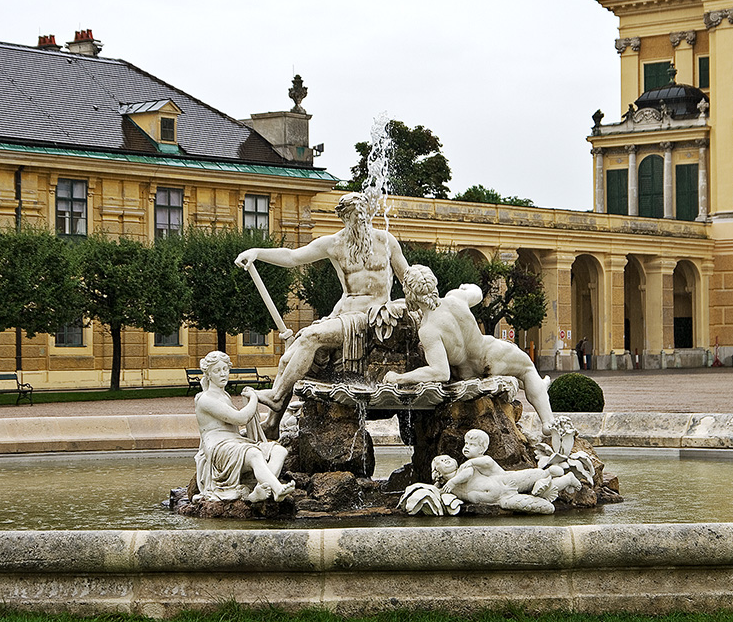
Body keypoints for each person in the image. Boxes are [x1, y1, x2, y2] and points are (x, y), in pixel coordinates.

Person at [235, 191, 409, 421]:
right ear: (344, 218)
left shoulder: (386, 241)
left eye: (363, 215)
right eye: (354, 217)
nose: (360, 221)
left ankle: (277, 396)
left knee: (311, 337)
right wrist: (257, 252)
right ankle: (272, 423)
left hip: (372, 317)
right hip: (344, 314)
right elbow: (292, 257)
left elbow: (407, 277)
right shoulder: (334, 244)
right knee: (288, 358)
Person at [382, 264, 555, 434]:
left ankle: (537, 388)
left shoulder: (428, 330)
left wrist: (400, 378)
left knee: (526, 375)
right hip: (490, 354)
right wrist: (466, 286)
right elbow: (477, 293)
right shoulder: (455, 297)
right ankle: (548, 422)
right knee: (527, 369)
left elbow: (441, 373)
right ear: (433, 284)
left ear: (410, 293)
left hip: (468, 374)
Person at [193, 350, 295, 503]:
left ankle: (259, 490)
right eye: (217, 371)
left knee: (279, 450)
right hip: (218, 447)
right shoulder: (205, 399)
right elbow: (241, 418)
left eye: (225, 369)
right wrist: (254, 397)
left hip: (236, 442)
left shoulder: (224, 396)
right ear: (208, 374)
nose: (222, 374)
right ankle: (277, 488)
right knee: (254, 453)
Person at [429, 429, 577, 515]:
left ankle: (548, 473)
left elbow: (470, 473)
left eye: (447, 458)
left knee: (534, 474)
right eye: (441, 461)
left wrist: (465, 467)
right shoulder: (445, 486)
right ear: (436, 471)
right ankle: (566, 480)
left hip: (505, 481)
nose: (446, 460)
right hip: (502, 500)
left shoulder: (466, 467)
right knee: (546, 508)